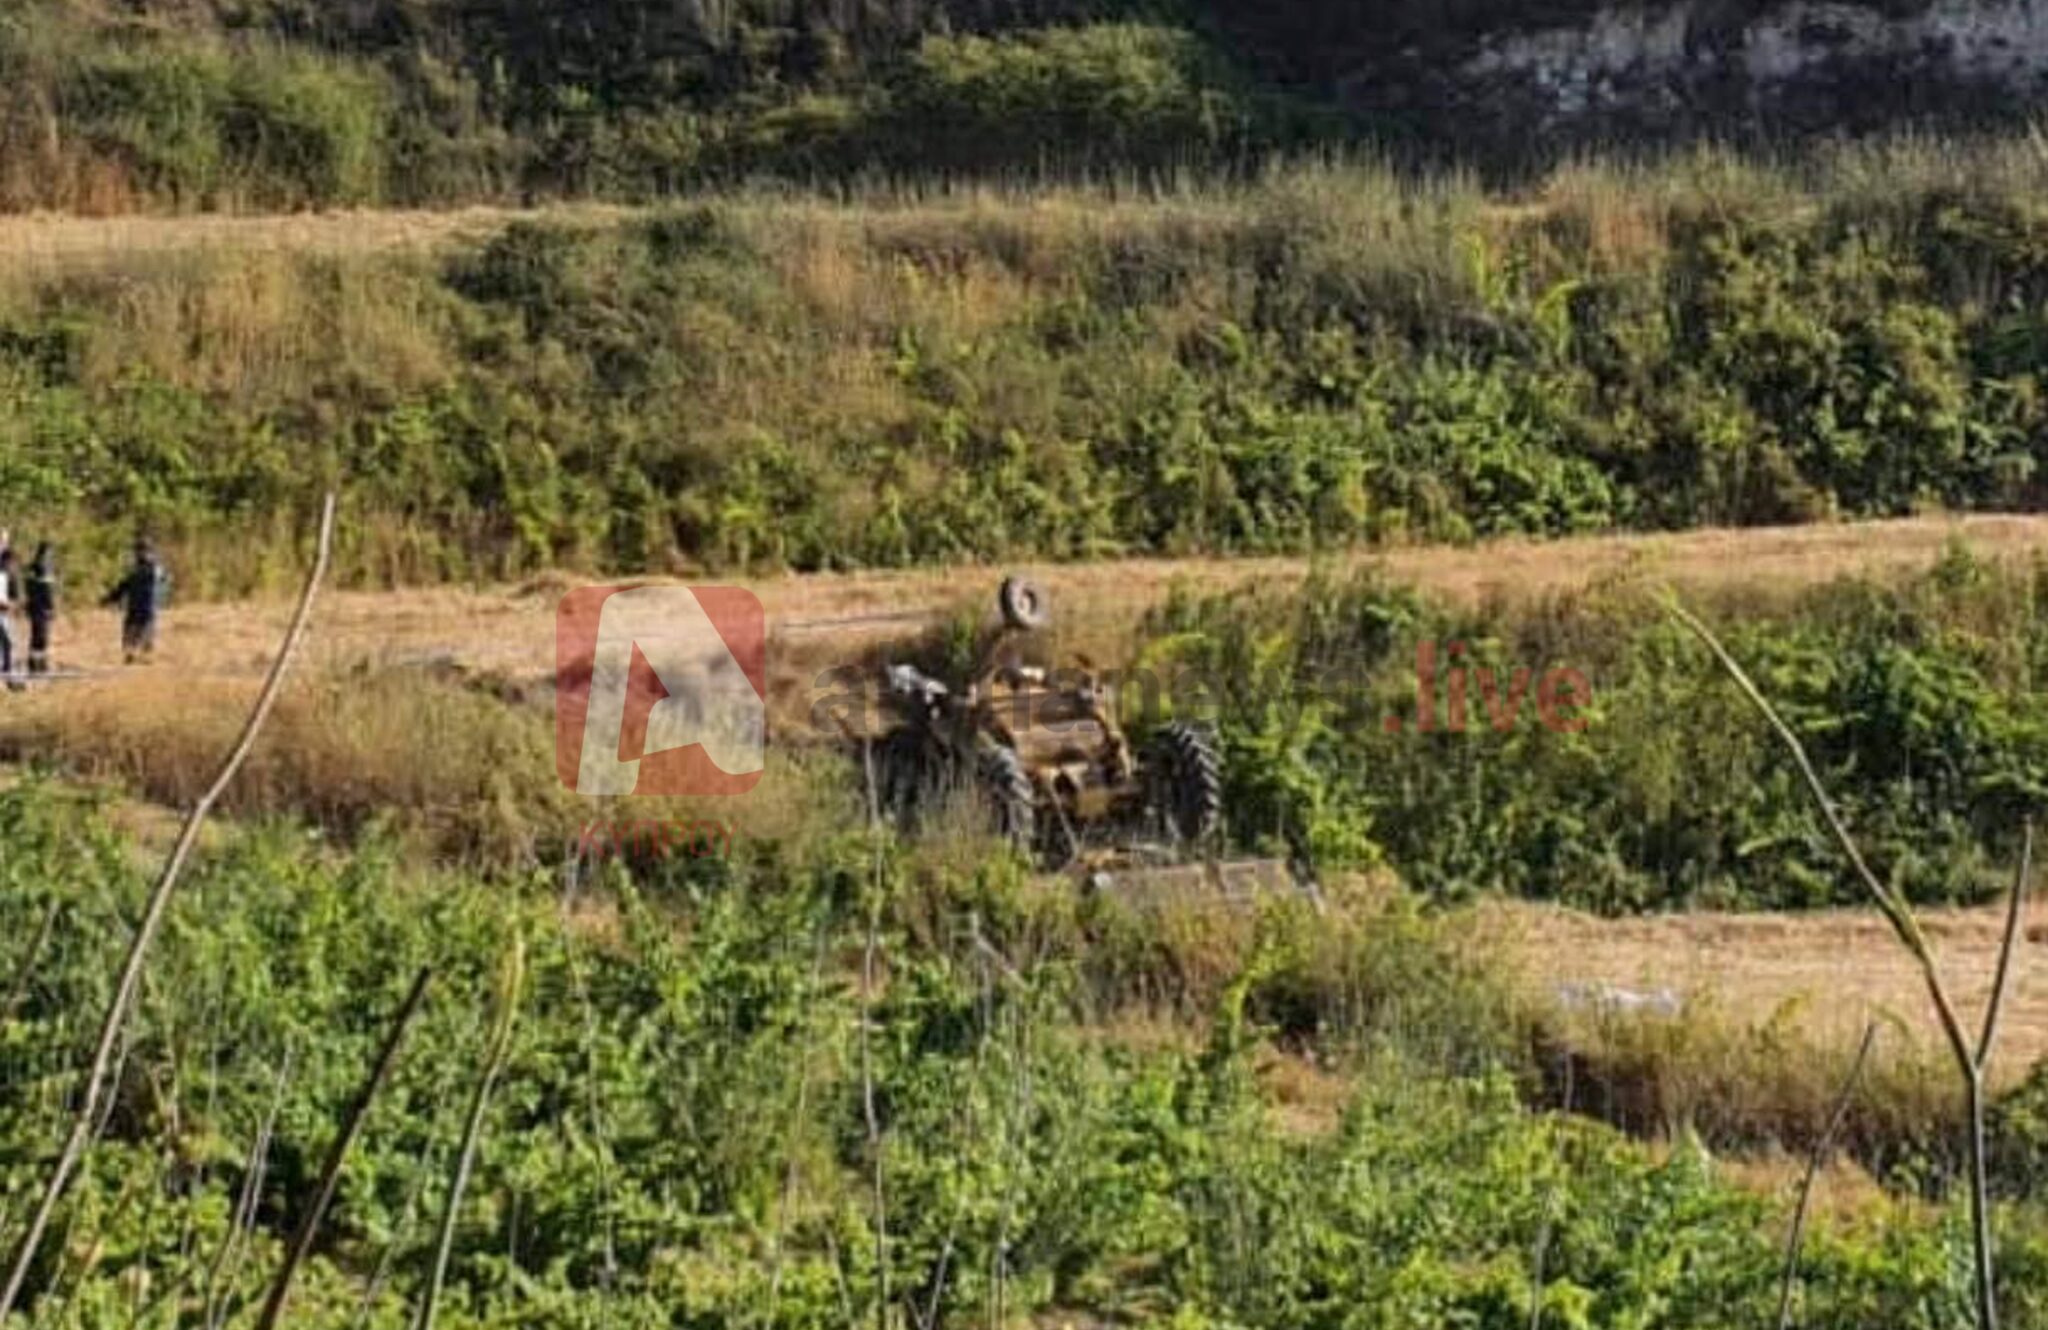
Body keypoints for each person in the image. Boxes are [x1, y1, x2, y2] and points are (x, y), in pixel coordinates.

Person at [103, 538, 168, 664]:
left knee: (145, 632)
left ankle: (142, 655)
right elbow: (124, 585)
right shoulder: (135, 569)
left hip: (147, 608)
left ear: (151, 552)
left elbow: (162, 581)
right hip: (134, 607)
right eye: (139, 551)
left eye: (144, 551)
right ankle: (132, 654)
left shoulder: (154, 569)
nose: (141, 554)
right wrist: (111, 598)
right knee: (130, 632)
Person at [25, 543, 57, 677]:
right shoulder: (44, 567)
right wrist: (51, 607)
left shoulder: (33, 567)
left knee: (37, 635)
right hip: (41, 608)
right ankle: (38, 664)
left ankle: (35, 663)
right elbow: (47, 591)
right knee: (41, 636)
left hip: (34, 607)